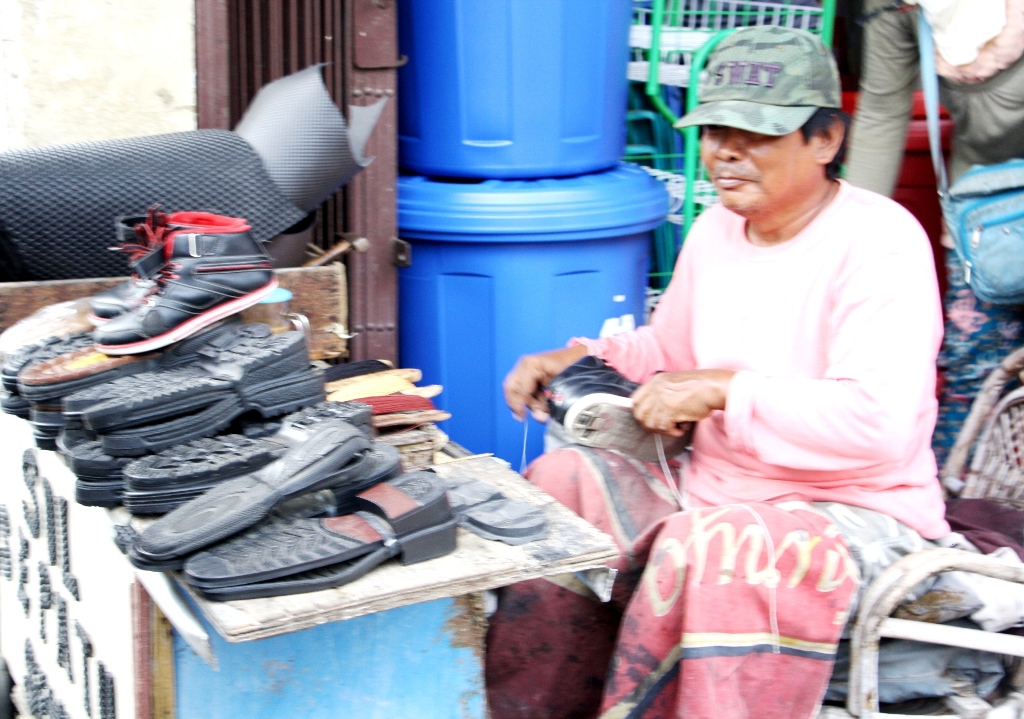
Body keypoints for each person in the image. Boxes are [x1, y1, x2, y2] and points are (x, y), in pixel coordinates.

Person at [488, 26, 951, 719]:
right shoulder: (715, 230)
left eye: (754, 134)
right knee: (560, 484)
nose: (724, 152)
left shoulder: (879, 243)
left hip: (854, 508)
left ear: (825, 141)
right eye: (713, 131)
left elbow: (877, 426)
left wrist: (728, 388)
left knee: (711, 548)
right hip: (713, 489)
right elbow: (670, 354)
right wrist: (581, 358)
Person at [845, 0, 1024, 467]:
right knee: (972, 374)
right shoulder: (898, 8)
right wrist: (844, 239)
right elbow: (883, 112)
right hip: (982, 216)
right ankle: (959, 512)